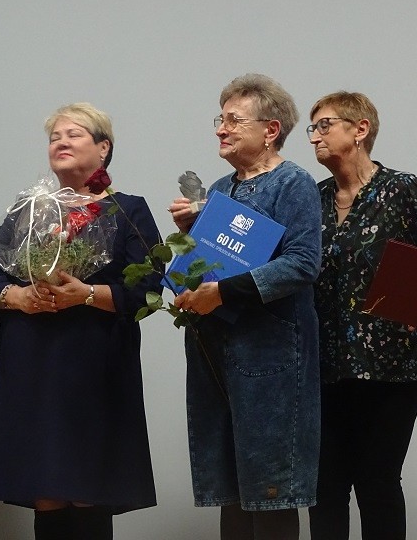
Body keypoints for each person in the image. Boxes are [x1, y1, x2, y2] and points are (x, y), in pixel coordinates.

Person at [0, 103, 161, 540]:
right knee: (45, 488)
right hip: (31, 362)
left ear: (103, 148)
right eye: (54, 137)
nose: (61, 142)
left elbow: (148, 291)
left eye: (73, 134)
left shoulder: (127, 210)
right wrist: (20, 297)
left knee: (87, 487)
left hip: (94, 364)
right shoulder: (28, 209)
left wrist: (87, 294)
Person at [169, 74, 322, 540]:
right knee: (230, 486)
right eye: (220, 119)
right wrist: (188, 252)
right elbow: (211, 264)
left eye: (234, 120)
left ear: (270, 130)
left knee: (270, 487)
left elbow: (303, 263)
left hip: (270, 354)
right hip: (216, 351)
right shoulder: (220, 189)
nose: (221, 129)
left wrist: (224, 292)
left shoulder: (293, 183)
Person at [305, 91, 417, 539]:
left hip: (393, 365)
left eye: (324, 125)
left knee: (377, 480)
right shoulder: (312, 199)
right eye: (312, 128)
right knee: (325, 485)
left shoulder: (403, 189)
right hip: (324, 365)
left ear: (360, 129)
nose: (314, 137)